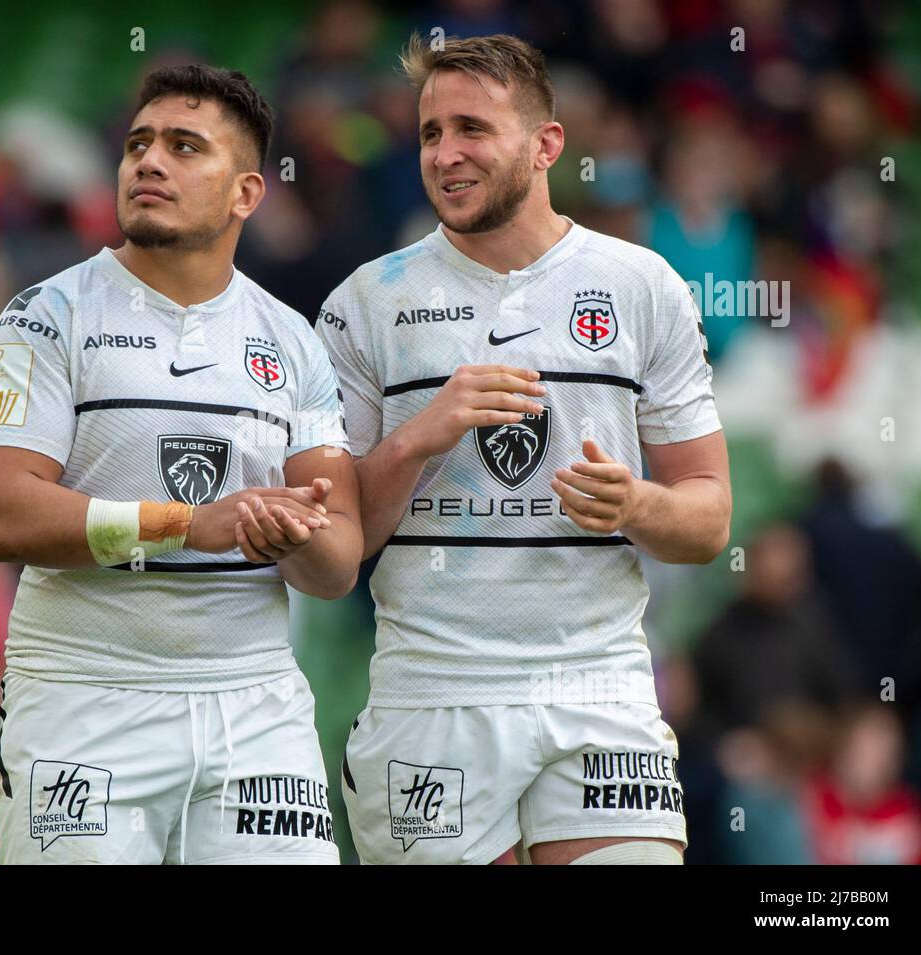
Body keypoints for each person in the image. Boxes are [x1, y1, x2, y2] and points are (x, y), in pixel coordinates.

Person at [313, 33, 730, 865]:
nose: (445, 154)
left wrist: (638, 503)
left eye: (472, 128)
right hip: (433, 698)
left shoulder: (641, 285)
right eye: (431, 133)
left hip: (601, 692)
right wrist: (421, 436)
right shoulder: (366, 301)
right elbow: (337, 548)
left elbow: (709, 516)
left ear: (546, 145)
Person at [0, 64, 362, 864]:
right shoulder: (43, 317)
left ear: (247, 193)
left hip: (254, 707)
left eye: (185, 147)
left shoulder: (293, 341)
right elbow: (1, 514)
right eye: (139, 144)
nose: (149, 162)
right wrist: (191, 524)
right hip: (83, 700)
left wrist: (293, 532)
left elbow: (339, 562)